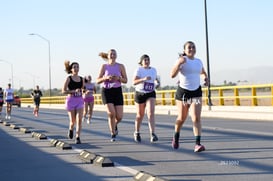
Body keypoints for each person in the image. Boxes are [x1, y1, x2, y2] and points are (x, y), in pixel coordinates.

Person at [170, 41, 209, 152]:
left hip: (196, 92)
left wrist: (205, 78)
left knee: (196, 118)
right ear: (185, 50)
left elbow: (202, 72)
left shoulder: (198, 61)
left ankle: (197, 144)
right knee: (182, 118)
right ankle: (176, 137)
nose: (191, 49)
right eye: (189, 47)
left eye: (193, 47)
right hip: (183, 93)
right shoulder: (182, 61)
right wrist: (178, 64)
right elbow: (172, 75)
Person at [96, 49, 128, 142]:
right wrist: (106, 78)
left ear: (116, 56)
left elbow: (126, 80)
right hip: (106, 91)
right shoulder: (104, 66)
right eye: (111, 54)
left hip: (117, 90)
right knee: (111, 113)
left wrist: (119, 78)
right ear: (108, 56)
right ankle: (113, 133)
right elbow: (98, 80)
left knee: (119, 116)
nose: (112, 55)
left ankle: (114, 124)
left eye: (114, 54)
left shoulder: (120, 66)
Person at [133, 54, 160, 143]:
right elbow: (134, 82)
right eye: (145, 60)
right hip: (140, 93)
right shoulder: (139, 70)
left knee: (150, 113)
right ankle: (137, 132)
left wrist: (157, 83)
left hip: (150, 93)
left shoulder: (153, 70)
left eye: (148, 60)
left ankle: (153, 134)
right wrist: (143, 79)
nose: (147, 61)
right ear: (141, 62)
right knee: (140, 115)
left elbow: (155, 79)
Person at [62, 60, 85, 144]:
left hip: (79, 100)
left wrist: (83, 91)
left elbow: (83, 89)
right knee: (73, 121)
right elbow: (63, 91)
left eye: (77, 67)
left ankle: (78, 137)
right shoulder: (69, 78)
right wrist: (73, 91)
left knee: (79, 120)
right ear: (71, 69)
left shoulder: (82, 79)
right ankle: (71, 129)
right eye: (74, 67)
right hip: (71, 100)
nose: (76, 68)